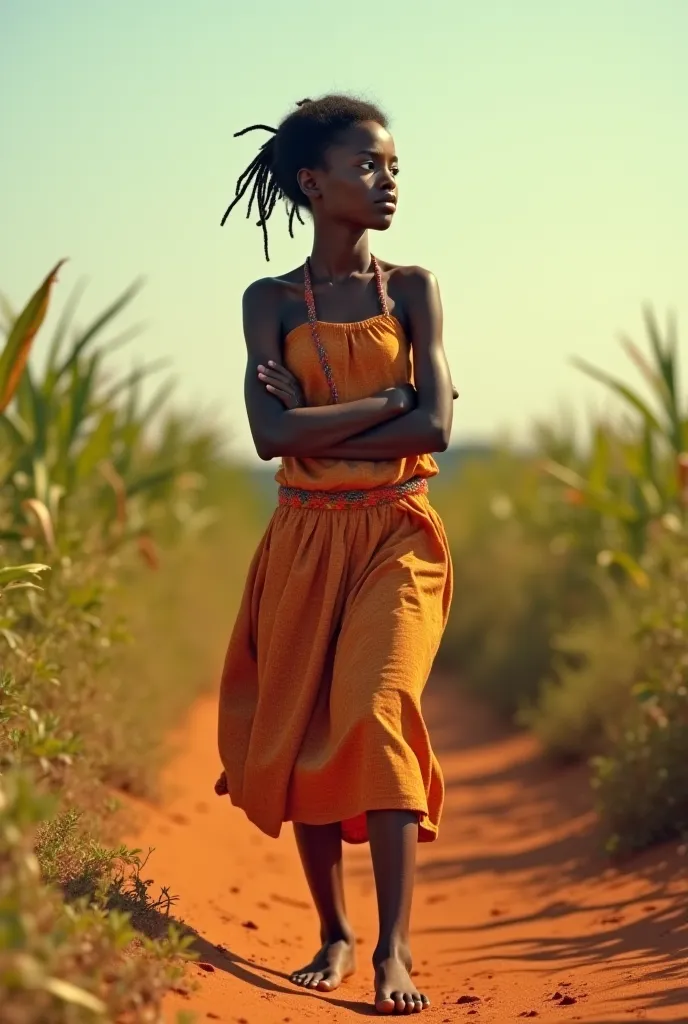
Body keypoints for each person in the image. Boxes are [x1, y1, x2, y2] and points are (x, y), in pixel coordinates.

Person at [215, 94, 454, 1016]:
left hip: (399, 529)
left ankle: (393, 949)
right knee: (306, 720)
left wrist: (336, 418)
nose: (386, 180)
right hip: (304, 535)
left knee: (378, 703)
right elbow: (269, 436)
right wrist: (382, 401)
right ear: (313, 183)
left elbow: (433, 425)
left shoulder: (414, 290)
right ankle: (335, 932)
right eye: (367, 166)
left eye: (393, 166)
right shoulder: (268, 302)